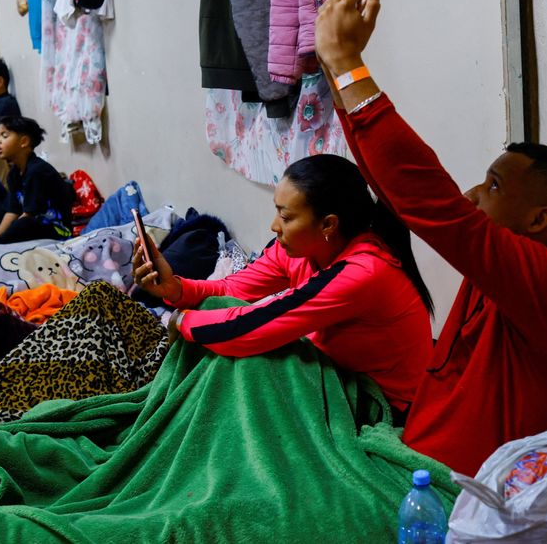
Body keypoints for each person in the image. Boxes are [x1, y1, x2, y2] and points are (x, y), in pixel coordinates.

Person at [313, 0, 547, 476]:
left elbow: (432, 203)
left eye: (493, 186)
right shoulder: (506, 271)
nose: (474, 194)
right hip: (411, 457)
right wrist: (332, 63)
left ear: (541, 218)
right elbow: (402, 196)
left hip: (456, 496)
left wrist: (348, 62)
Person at [133, 153, 434, 418]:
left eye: (286, 217)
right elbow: (232, 288)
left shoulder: (363, 272)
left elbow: (254, 328)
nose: (274, 226)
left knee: (243, 361)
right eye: (277, 210)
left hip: (377, 401)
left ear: (328, 224)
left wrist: (182, 319)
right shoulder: (299, 249)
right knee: (218, 317)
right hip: (337, 375)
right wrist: (175, 288)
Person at [0, 116, 74, 244]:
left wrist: (0, 242)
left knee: (24, 224)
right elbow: (12, 211)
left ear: (24, 142)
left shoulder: (36, 171)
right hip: (36, 226)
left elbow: (28, 216)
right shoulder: (13, 174)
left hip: (59, 231)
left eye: (4, 136)